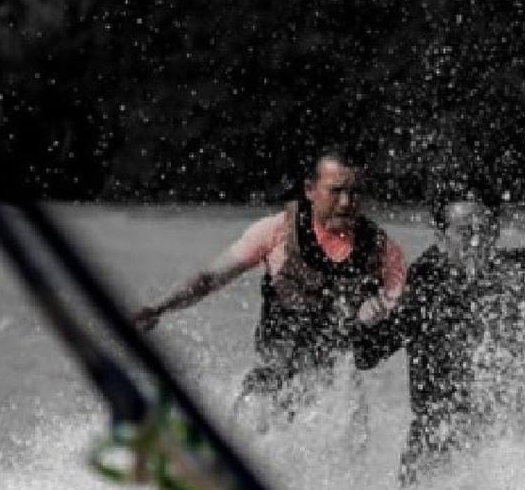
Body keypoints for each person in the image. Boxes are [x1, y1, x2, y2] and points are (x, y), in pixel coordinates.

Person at [132, 150, 406, 420]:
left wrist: (377, 314)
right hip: (271, 379)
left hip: (335, 394)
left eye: (355, 192)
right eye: (336, 191)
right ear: (310, 190)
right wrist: (159, 308)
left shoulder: (383, 251)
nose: (346, 202)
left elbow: (400, 314)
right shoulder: (276, 232)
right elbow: (209, 279)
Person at [352, 187, 525, 482]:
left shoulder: (505, 270)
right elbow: (366, 356)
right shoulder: (421, 291)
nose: (477, 242)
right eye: (465, 232)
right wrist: (363, 320)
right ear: (441, 238)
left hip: (498, 442)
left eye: (485, 231)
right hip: (436, 444)